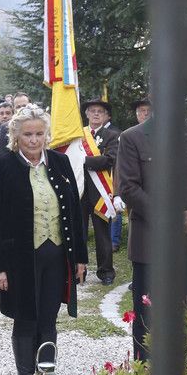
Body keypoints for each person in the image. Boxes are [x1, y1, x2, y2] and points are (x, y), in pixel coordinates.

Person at [0, 106, 88, 375]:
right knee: (25, 318)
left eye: (39, 134)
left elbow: (75, 213)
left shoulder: (60, 163)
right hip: (19, 259)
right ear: (16, 136)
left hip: (55, 255)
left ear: (46, 135)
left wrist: (80, 257)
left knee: (49, 318)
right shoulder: (2, 167)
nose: (33, 140)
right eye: (27, 134)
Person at [117, 116, 187, 360]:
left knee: (181, 313)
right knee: (147, 316)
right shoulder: (132, 137)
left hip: (186, 239)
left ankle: (179, 371)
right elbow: (128, 187)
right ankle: (145, 374)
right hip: (149, 241)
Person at [81, 98, 120, 284]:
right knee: (79, 233)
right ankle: (79, 271)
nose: (96, 114)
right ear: (86, 114)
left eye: (100, 111)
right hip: (80, 191)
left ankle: (106, 272)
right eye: (92, 111)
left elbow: (109, 159)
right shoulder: (78, 134)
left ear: (106, 116)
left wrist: (83, 161)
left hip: (101, 192)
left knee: (102, 235)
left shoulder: (112, 135)